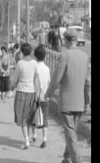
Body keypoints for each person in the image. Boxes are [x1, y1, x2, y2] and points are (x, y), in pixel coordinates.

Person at [44, 29, 91, 163]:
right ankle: (67, 158)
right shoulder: (84, 57)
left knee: (70, 134)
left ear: (65, 40)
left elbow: (56, 78)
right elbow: (87, 82)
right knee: (72, 132)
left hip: (67, 102)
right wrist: (87, 101)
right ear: (75, 40)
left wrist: (48, 94)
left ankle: (76, 160)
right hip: (80, 102)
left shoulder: (65, 56)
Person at [11, 43, 41, 150]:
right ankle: (34, 134)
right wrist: (39, 91)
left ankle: (26, 140)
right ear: (31, 52)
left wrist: (11, 87)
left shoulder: (20, 63)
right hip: (32, 91)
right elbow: (37, 78)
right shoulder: (34, 63)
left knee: (22, 116)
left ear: (22, 52)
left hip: (21, 91)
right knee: (30, 116)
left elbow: (14, 79)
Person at [31, 45, 50, 148]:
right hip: (45, 96)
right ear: (45, 56)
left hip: (34, 95)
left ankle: (34, 135)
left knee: (33, 115)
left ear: (35, 56)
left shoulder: (34, 67)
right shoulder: (47, 69)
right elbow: (48, 81)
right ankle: (44, 138)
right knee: (45, 117)